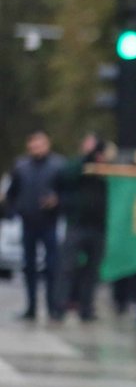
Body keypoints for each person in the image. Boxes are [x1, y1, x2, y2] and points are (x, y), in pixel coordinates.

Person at [6, 131, 66, 321]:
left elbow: (67, 194)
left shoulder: (58, 166)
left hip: (49, 223)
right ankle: (31, 307)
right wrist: (16, 210)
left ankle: (52, 306)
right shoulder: (21, 166)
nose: (37, 147)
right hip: (28, 222)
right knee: (29, 266)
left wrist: (57, 202)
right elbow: (11, 193)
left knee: (51, 266)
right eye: (34, 144)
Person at [59, 133, 111, 322]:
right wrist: (86, 158)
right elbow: (67, 176)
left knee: (92, 271)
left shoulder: (107, 168)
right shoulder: (77, 165)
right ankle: (61, 305)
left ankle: (86, 307)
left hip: (98, 226)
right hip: (77, 224)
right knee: (68, 267)